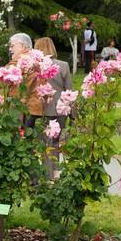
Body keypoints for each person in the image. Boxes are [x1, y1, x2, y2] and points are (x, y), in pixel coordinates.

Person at [34, 37, 74, 180]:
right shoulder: (63, 65)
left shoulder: (35, 67)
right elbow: (69, 89)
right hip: (60, 109)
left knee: (44, 143)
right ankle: (55, 172)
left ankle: (48, 175)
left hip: (42, 109)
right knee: (55, 142)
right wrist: (73, 114)